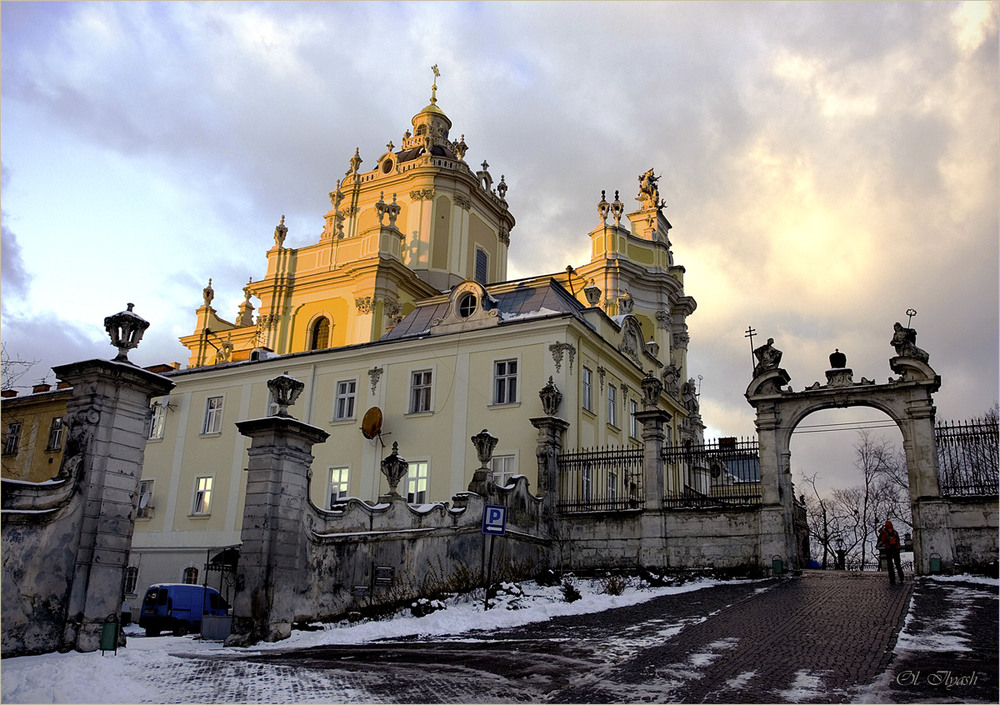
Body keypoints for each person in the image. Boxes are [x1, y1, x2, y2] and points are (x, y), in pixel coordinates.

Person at [877, 519, 905, 584]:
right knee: (898, 564)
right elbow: (898, 540)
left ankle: (892, 579)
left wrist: (879, 545)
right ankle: (901, 577)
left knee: (890, 564)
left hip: (888, 549)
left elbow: (882, 541)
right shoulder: (895, 532)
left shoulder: (885, 533)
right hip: (896, 549)